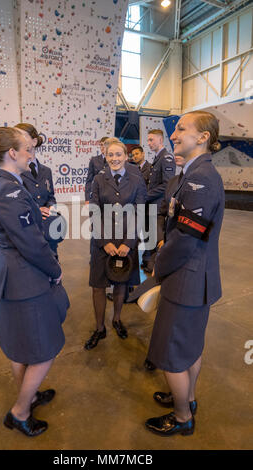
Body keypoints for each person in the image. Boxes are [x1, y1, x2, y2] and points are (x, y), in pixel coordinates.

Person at [0, 127, 69, 437]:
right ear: (13, 153)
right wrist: (55, 269)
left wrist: (37, 213)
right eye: (27, 148)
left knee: (21, 345)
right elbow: (31, 244)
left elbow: (21, 226)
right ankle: (19, 411)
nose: (32, 153)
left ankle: (29, 396)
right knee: (44, 349)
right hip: (24, 278)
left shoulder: (7, 184)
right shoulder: (10, 191)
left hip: (13, 275)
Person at [144, 111, 224, 437]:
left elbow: (186, 237)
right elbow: (178, 223)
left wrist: (157, 268)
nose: (173, 134)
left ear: (203, 137)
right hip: (191, 277)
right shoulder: (187, 174)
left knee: (171, 355)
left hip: (186, 278)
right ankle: (187, 399)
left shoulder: (200, 178)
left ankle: (181, 418)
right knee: (189, 347)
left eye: (180, 129)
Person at [84, 140, 147, 349]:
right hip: (103, 242)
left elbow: (139, 212)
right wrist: (104, 242)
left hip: (125, 241)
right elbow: (94, 211)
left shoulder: (137, 180)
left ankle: (117, 319)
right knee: (98, 286)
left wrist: (129, 243)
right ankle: (99, 328)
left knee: (121, 284)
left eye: (118, 154)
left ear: (126, 156)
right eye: (110, 155)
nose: (114, 158)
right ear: (105, 155)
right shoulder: (98, 180)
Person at [144, 155, 186, 372]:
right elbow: (162, 213)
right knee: (161, 314)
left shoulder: (201, 182)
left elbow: (188, 236)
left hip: (179, 260)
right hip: (165, 248)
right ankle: (156, 355)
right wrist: (160, 237)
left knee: (174, 322)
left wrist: (162, 257)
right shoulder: (173, 182)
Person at [14, 123, 59, 255]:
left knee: (52, 261)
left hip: (48, 228)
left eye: (21, 135)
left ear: (34, 141)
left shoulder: (46, 171)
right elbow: (16, 203)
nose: (17, 139)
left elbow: (51, 197)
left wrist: (51, 208)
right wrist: (37, 210)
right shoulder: (16, 171)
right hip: (28, 229)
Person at [144, 129, 176, 273]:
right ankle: (151, 267)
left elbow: (167, 184)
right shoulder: (158, 158)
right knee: (151, 238)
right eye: (148, 140)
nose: (149, 143)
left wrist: (146, 195)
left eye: (152, 140)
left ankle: (159, 271)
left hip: (158, 207)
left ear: (160, 140)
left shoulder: (166, 157)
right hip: (152, 205)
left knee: (159, 241)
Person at [85, 136, 109, 204]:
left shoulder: (114, 160)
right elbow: (89, 180)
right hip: (96, 195)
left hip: (110, 195)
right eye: (101, 145)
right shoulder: (94, 160)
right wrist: (87, 198)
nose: (103, 147)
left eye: (105, 144)